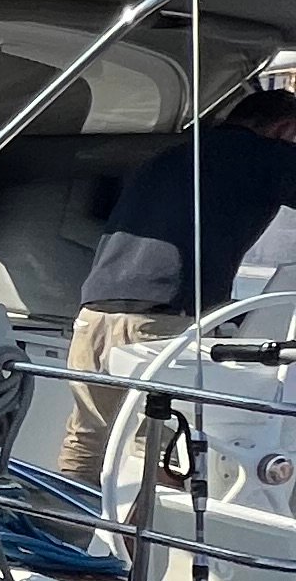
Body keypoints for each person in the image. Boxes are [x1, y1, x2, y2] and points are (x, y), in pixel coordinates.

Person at [59, 80, 296, 476]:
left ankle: (58, 529)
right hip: (162, 319)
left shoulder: (171, 154)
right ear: (282, 128)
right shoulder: (265, 156)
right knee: (156, 447)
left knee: (87, 438)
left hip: (97, 312)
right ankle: (143, 539)